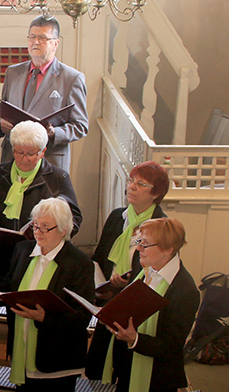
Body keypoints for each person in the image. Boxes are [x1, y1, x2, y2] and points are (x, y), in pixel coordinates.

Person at [0, 197, 93, 391]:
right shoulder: (22, 250)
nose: (38, 232)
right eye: (35, 225)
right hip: (22, 350)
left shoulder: (79, 263)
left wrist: (45, 317)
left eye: (45, 227)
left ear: (64, 229)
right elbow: (11, 287)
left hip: (57, 357)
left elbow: (82, 316)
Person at [85, 161, 170, 379]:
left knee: (125, 369)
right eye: (131, 181)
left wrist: (129, 283)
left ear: (156, 194)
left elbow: (161, 272)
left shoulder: (162, 227)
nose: (131, 186)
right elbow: (99, 257)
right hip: (109, 298)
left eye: (141, 184)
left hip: (138, 305)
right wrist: (100, 286)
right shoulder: (117, 216)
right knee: (99, 364)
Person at [101, 218, 200, 392]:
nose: (138, 248)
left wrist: (135, 339)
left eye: (145, 244)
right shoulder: (144, 270)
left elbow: (172, 346)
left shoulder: (185, 291)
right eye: (139, 241)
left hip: (158, 376)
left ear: (168, 249)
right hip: (129, 364)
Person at [0, 120, 82, 286]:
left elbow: (74, 219)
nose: (25, 159)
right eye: (19, 152)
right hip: (4, 257)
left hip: (40, 257)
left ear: (43, 152)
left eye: (31, 153)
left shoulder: (57, 178)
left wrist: (50, 236)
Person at [0, 15, 88, 171]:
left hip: (49, 159)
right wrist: (0, 123)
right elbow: (1, 109)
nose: (35, 42)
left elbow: (80, 126)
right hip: (12, 157)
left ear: (55, 44)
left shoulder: (71, 78)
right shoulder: (13, 72)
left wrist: (54, 133)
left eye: (42, 38)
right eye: (32, 37)